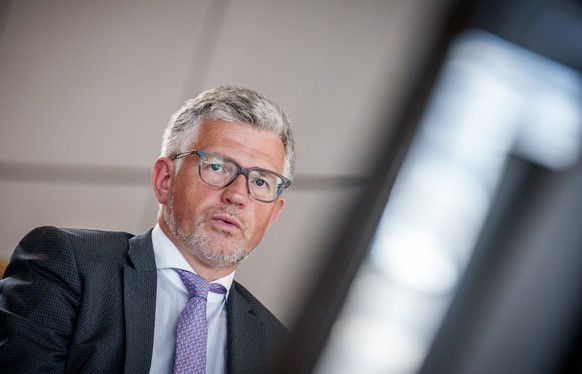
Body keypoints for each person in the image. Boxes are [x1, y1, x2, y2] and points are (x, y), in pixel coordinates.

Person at [0, 85, 295, 373]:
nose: (238, 195)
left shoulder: (280, 348)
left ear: (273, 214)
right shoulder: (68, 265)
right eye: (217, 166)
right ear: (165, 180)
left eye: (260, 182)